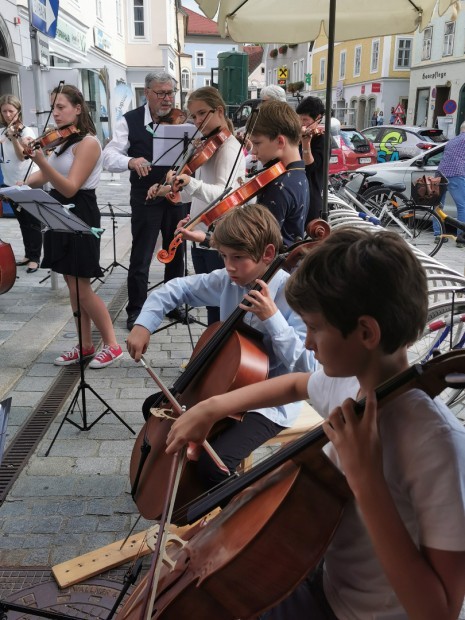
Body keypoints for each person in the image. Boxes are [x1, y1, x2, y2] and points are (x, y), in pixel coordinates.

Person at [166, 227, 465, 620]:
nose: (305, 343)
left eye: (313, 328)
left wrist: (367, 481)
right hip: (324, 581)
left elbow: (438, 611)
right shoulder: (349, 380)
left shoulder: (436, 445)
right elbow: (294, 383)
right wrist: (211, 407)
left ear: (366, 332)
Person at [126, 203, 316, 490]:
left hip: (269, 404)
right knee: (154, 410)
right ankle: (183, 490)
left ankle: (240, 515)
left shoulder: (295, 295)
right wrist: (144, 324)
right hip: (224, 387)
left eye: (237, 257)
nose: (228, 267)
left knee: (214, 466)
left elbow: (308, 367)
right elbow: (177, 288)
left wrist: (272, 318)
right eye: (224, 256)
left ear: (267, 254)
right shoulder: (230, 280)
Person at [25, 85, 123, 369]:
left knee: (82, 287)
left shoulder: (88, 143)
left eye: (61, 107)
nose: (54, 113)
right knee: (72, 284)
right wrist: (21, 185)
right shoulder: (61, 142)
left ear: (78, 109)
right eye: (53, 107)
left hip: (79, 211)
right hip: (58, 211)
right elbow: (42, 176)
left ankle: (112, 344)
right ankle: (85, 345)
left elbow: (69, 187)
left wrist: (41, 159)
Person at [146, 86, 246, 325]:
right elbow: (196, 195)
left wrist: (190, 181)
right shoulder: (208, 145)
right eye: (194, 116)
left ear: (219, 111)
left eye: (203, 114)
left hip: (220, 236)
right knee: (212, 306)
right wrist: (169, 189)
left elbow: (224, 196)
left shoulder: (229, 148)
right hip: (199, 232)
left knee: (222, 311)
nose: (198, 121)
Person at [102, 71, 190, 331]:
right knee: (141, 255)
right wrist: (130, 161)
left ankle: (173, 304)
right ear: (147, 93)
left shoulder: (181, 120)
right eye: (161, 93)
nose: (167, 99)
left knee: (177, 252)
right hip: (145, 196)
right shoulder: (129, 121)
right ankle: (137, 310)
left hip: (176, 193)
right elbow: (108, 156)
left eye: (170, 93)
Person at [245, 100, 309, 247]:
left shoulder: (280, 185)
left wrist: (208, 238)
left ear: (280, 141)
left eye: (257, 143)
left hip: (272, 267)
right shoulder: (298, 173)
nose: (253, 151)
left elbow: (258, 243)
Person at [0, 94, 42, 273]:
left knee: (32, 221)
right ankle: (27, 253)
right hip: (10, 181)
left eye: (11, 111)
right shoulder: (2, 131)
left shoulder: (26, 132)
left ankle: (35, 258)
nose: (8, 115)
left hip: (27, 181)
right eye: (4, 111)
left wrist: (14, 139)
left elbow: (22, 156)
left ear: (18, 112)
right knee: (22, 220)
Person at [296, 96, 325, 224]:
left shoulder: (322, 139)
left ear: (318, 118)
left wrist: (306, 143)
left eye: (306, 120)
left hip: (311, 198)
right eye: (300, 119)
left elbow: (311, 166)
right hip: (297, 194)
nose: (302, 123)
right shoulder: (298, 137)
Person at [437, 120, 465, 248]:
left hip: (440, 173)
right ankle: (461, 238)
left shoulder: (452, 140)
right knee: (462, 206)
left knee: (438, 205)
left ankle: (438, 235)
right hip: (456, 173)